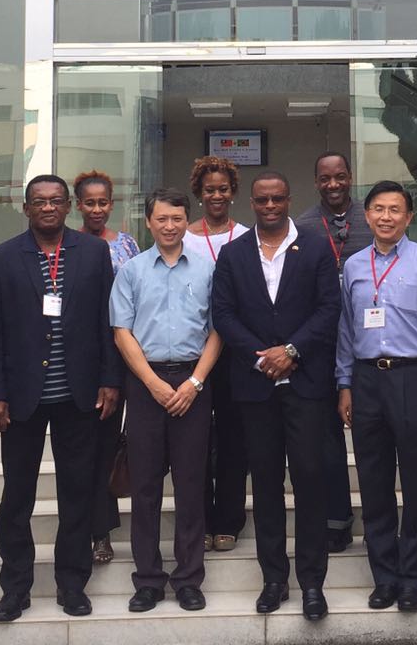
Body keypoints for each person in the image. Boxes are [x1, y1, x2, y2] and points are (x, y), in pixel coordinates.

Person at [0, 175, 122, 622]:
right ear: (25, 208)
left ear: (67, 207)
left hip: (79, 395)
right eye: (38, 201)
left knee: (76, 492)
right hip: (21, 398)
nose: (47, 207)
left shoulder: (94, 253)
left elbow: (107, 320)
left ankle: (72, 584)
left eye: (56, 200)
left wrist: (109, 379)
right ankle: (15, 588)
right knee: (17, 496)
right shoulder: (1, 259)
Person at [211, 171, 341, 622]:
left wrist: (291, 351)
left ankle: (312, 583)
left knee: (309, 481)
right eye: (262, 199)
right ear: (252, 202)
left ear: (289, 200)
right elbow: (223, 314)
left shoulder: (317, 248)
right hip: (255, 388)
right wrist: (262, 356)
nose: (270, 206)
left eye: (277, 198)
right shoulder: (233, 254)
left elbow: (329, 308)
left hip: (306, 385)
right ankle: (273, 580)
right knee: (265, 485)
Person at [335, 180, 417, 612]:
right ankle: (384, 578)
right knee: (374, 483)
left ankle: (413, 580)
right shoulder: (353, 266)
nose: (386, 217)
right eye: (378, 209)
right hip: (367, 380)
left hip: (414, 378)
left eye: (395, 210)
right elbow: (346, 330)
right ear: (367, 215)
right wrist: (344, 384)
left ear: (408, 217)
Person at [109, 186, 221, 613]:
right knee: (145, 486)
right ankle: (148, 580)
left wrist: (195, 382)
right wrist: (153, 384)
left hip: (194, 381)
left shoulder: (208, 269)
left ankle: (189, 578)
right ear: (149, 222)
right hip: (145, 383)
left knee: (191, 484)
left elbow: (218, 330)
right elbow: (122, 331)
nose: (169, 226)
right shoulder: (132, 271)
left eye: (177, 219)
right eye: (161, 219)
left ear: (186, 221)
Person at [293, 151, 367, 552]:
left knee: (373, 439)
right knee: (326, 441)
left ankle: (379, 523)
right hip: (321, 347)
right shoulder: (302, 227)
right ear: (316, 182)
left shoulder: (372, 220)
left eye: (340, 176)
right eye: (325, 178)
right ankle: (336, 521)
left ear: (350, 177)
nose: (333, 184)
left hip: (370, 345)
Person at [73, 169, 141, 567]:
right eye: (89, 203)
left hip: (126, 354)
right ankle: (98, 531)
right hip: (85, 357)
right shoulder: (70, 244)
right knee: (90, 448)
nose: (96, 209)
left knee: (114, 446)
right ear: (78, 205)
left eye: (103, 202)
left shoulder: (127, 244)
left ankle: (111, 528)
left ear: (111, 204)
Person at [182, 154, 248, 552]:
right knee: (195, 440)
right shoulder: (183, 236)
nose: (217, 195)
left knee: (232, 438)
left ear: (233, 191)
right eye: (209, 190)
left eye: (223, 189)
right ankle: (201, 519)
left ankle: (229, 519)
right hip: (193, 350)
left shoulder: (247, 236)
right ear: (199, 193)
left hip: (235, 353)